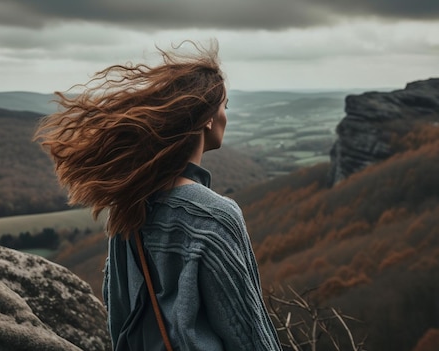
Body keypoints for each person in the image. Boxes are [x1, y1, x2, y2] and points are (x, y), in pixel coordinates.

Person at [35, 40, 282, 351]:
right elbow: (248, 334)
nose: (225, 116)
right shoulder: (216, 216)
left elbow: (120, 316)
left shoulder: (129, 208)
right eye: (225, 106)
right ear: (207, 117)